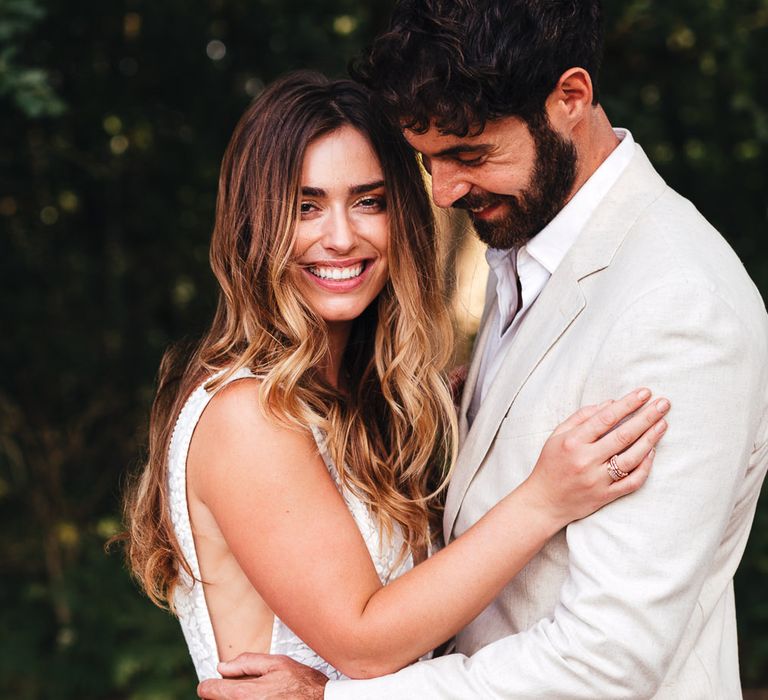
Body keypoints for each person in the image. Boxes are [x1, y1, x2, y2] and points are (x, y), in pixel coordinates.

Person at [197, 2, 768, 699]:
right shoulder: (529, 245)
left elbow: (611, 658)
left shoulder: (676, 307)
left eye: (469, 155)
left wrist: (335, 698)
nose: (442, 193)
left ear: (570, 98)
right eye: (427, 162)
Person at [121, 70, 669, 687]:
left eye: (368, 201)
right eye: (305, 207)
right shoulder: (247, 413)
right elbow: (363, 642)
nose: (341, 237)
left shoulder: (356, 403)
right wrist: (545, 498)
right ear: (255, 225)